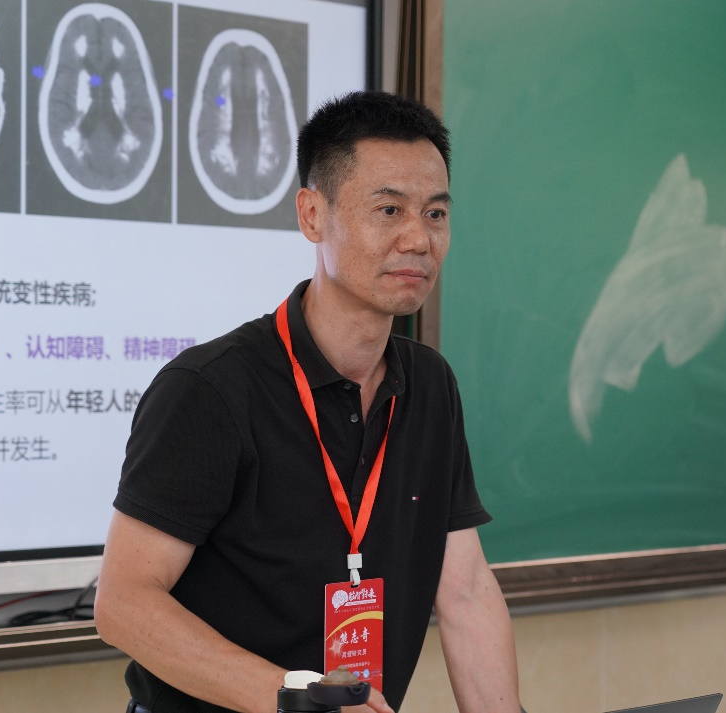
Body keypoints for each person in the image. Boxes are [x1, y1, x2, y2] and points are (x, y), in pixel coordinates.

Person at [95, 91, 522, 713]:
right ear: (313, 215)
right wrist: (296, 697)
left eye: (435, 213)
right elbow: (124, 605)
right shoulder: (211, 388)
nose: (418, 239)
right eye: (388, 209)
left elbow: (464, 591)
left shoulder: (429, 385)